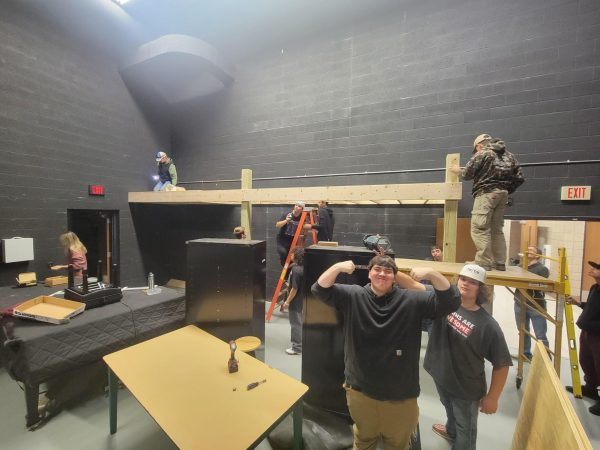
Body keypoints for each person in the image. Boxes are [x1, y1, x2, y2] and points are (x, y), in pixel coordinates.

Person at [311, 255, 460, 450]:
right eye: (377, 269)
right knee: (364, 440)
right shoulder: (353, 296)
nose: (382, 273)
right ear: (369, 274)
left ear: (395, 277)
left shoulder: (410, 299)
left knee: (397, 444)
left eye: (388, 271)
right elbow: (319, 289)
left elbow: (451, 301)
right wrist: (337, 267)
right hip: (360, 390)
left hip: (400, 396)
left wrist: (432, 274)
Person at [425, 264, 512, 449]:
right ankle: (451, 431)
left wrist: (493, 398)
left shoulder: (488, 325)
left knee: (466, 428)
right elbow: (414, 287)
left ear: (481, 289)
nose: (466, 284)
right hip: (442, 376)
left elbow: (502, 363)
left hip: (465, 388)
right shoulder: (446, 303)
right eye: (464, 279)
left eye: (473, 282)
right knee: (449, 409)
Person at [450, 134, 524, 271]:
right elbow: (520, 177)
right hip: (503, 195)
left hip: (486, 193)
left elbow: (467, 174)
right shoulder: (510, 156)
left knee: (479, 228)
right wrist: (506, 189)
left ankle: (483, 262)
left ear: (479, 145)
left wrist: (457, 171)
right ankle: (499, 262)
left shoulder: (483, 153)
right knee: (497, 230)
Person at [566, 261, 600, 415]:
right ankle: (591, 389)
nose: (592, 269)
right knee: (586, 361)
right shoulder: (595, 287)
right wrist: (578, 303)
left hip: (597, 335)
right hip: (587, 332)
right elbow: (592, 307)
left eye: (596, 268)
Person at [513, 246, 550, 360]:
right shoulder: (520, 266)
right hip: (519, 303)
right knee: (523, 330)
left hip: (535, 305)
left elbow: (539, 284)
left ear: (538, 256)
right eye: (526, 249)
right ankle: (525, 354)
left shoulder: (542, 269)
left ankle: (545, 359)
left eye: (531, 251)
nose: (527, 251)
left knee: (540, 335)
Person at [281, 247, 305, 355]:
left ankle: (297, 348)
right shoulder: (303, 268)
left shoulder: (295, 270)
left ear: (296, 256)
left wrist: (287, 302)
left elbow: (294, 289)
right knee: (299, 322)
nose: (290, 256)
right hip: (302, 301)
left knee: (295, 323)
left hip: (295, 302)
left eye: (292, 254)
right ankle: (300, 344)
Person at [275, 201, 306, 266]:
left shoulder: (302, 217)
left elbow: (304, 228)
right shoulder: (287, 214)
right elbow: (277, 225)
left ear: (302, 209)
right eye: (296, 205)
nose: (297, 207)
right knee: (283, 253)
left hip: (292, 240)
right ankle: (285, 268)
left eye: (299, 206)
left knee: (293, 257)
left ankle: (288, 271)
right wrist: (286, 220)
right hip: (282, 240)